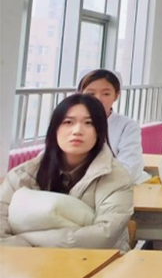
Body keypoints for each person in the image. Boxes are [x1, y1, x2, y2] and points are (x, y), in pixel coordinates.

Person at [0, 94, 133, 250]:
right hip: (26, 261)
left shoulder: (116, 177)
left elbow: (103, 236)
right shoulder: (23, 174)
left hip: (99, 260)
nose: (77, 131)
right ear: (55, 129)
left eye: (88, 123)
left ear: (100, 131)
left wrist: (29, 240)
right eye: (68, 122)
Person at [78, 69, 149, 184]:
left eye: (106, 94)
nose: (98, 99)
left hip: (116, 187)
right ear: (80, 94)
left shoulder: (127, 126)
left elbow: (129, 168)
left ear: (116, 95)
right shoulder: (67, 124)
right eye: (91, 94)